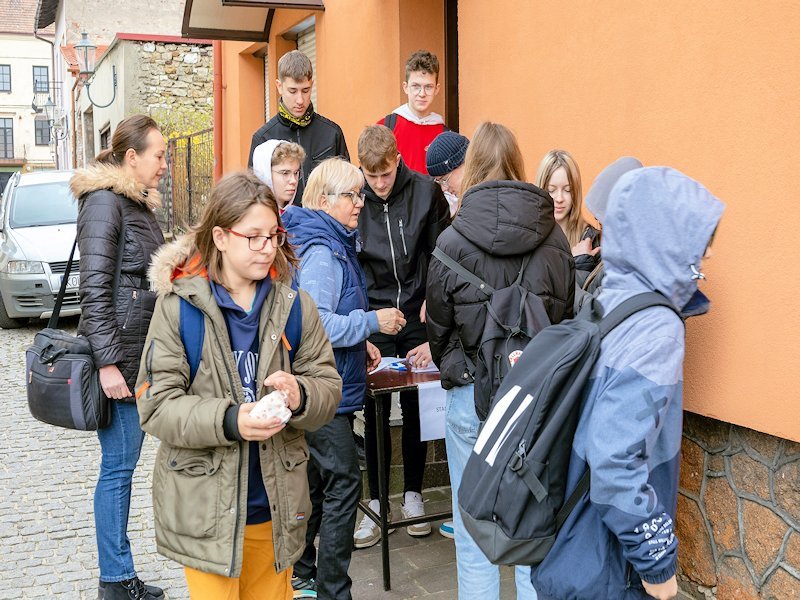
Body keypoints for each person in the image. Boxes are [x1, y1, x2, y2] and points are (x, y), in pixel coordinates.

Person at [135, 171, 341, 600]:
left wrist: (300, 394)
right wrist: (231, 420)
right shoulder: (179, 309)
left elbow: (328, 387)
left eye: (274, 235)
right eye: (254, 237)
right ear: (221, 237)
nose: (268, 248)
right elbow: (156, 406)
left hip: (276, 509)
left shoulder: (295, 307)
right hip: (207, 514)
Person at [531, 167, 724, 600]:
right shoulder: (656, 326)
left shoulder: (615, 295)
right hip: (607, 564)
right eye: (699, 238)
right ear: (667, 236)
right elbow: (615, 461)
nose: (707, 253)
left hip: (570, 543)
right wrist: (657, 565)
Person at [425, 121, 574, 599]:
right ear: (517, 163)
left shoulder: (451, 240)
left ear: (472, 170)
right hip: (534, 403)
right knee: (532, 534)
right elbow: (566, 318)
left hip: (473, 398)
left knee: (472, 538)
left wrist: (461, 371)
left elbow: (438, 328)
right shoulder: (553, 238)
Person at [282, 158, 406, 599]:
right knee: (344, 484)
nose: (360, 203)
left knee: (318, 483)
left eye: (360, 194)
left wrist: (360, 342)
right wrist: (371, 322)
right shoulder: (322, 250)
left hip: (325, 383)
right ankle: (334, 590)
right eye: (351, 195)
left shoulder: (330, 241)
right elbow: (318, 325)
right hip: (322, 391)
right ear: (322, 200)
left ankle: (303, 570)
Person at [70, 114, 167, 600]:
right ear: (132, 157)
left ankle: (119, 574)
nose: (164, 165)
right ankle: (115, 579)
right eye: (159, 155)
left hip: (136, 356)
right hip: (120, 361)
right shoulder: (105, 202)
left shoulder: (135, 204)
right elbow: (94, 288)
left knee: (123, 464)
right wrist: (107, 363)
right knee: (119, 466)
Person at [353, 125, 450, 548]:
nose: (378, 183)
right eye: (371, 176)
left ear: (397, 160)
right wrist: (364, 317)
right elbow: (350, 262)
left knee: (413, 404)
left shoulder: (426, 193)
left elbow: (444, 251)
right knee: (375, 410)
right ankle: (376, 503)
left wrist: (434, 295)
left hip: (415, 310)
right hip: (376, 313)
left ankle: (412, 495)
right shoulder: (356, 199)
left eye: (385, 174)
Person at [248, 50, 349, 203]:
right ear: (279, 86)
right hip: (281, 225)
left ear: (312, 85)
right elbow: (254, 197)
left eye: (306, 90)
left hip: (325, 225)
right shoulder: (262, 138)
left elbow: (347, 188)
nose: (300, 100)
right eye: (293, 91)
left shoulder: (332, 133)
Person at [536, 149, 600, 286]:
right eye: (551, 190)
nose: (559, 198)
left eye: (567, 190)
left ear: (576, 192)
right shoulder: (530, 237)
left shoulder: (592, 239)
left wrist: (581, 263)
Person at [378, 50, 446, 175]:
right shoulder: (385, 128)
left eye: (428, 87)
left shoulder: (444, 134)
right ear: (405, 87)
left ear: (437, 89)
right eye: (416, 86)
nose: (422, 93)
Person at [252, 139, 306, 213]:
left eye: (296, 173)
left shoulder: (298, 216)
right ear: (265, 174)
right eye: (285, 173)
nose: (293, 180)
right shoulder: (252, 216)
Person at [426, 130, 469, 217]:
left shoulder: (490, 198)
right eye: (439, 182)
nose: (443, 189)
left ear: (465, 163)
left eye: (444, 179)